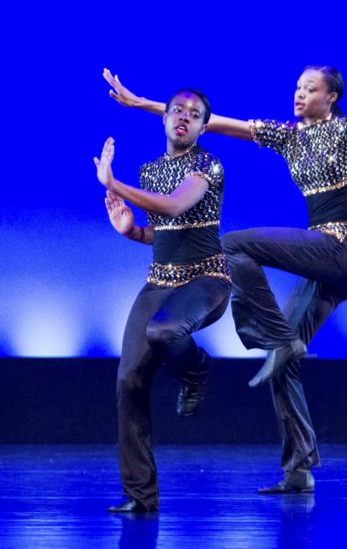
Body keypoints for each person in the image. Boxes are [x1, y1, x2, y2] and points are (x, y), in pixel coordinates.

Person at [104, 66, 347, 494]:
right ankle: (298, 469)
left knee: (234, 244)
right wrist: (144, 103)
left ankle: (272, 336)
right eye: (297, 86)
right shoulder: (286, 136)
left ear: (331, 98)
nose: (299, 93)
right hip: (321, 256)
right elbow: (210, 120)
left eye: (310, 89)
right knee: (280, 363)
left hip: (345, 247)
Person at [97, 89, 230, 513]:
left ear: (204, 127)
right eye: (178, 111)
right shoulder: (150, 171)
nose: (184, 118)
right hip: (159, 282)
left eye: (195, 115)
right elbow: (164, 232)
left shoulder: (208, 164)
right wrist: (131, 232)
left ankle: (198, 369)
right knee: (128, 381)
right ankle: (140, 494)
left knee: (166, 330)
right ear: (165, 119)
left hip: (206, 280)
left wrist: (114, 183)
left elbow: (175, 208)